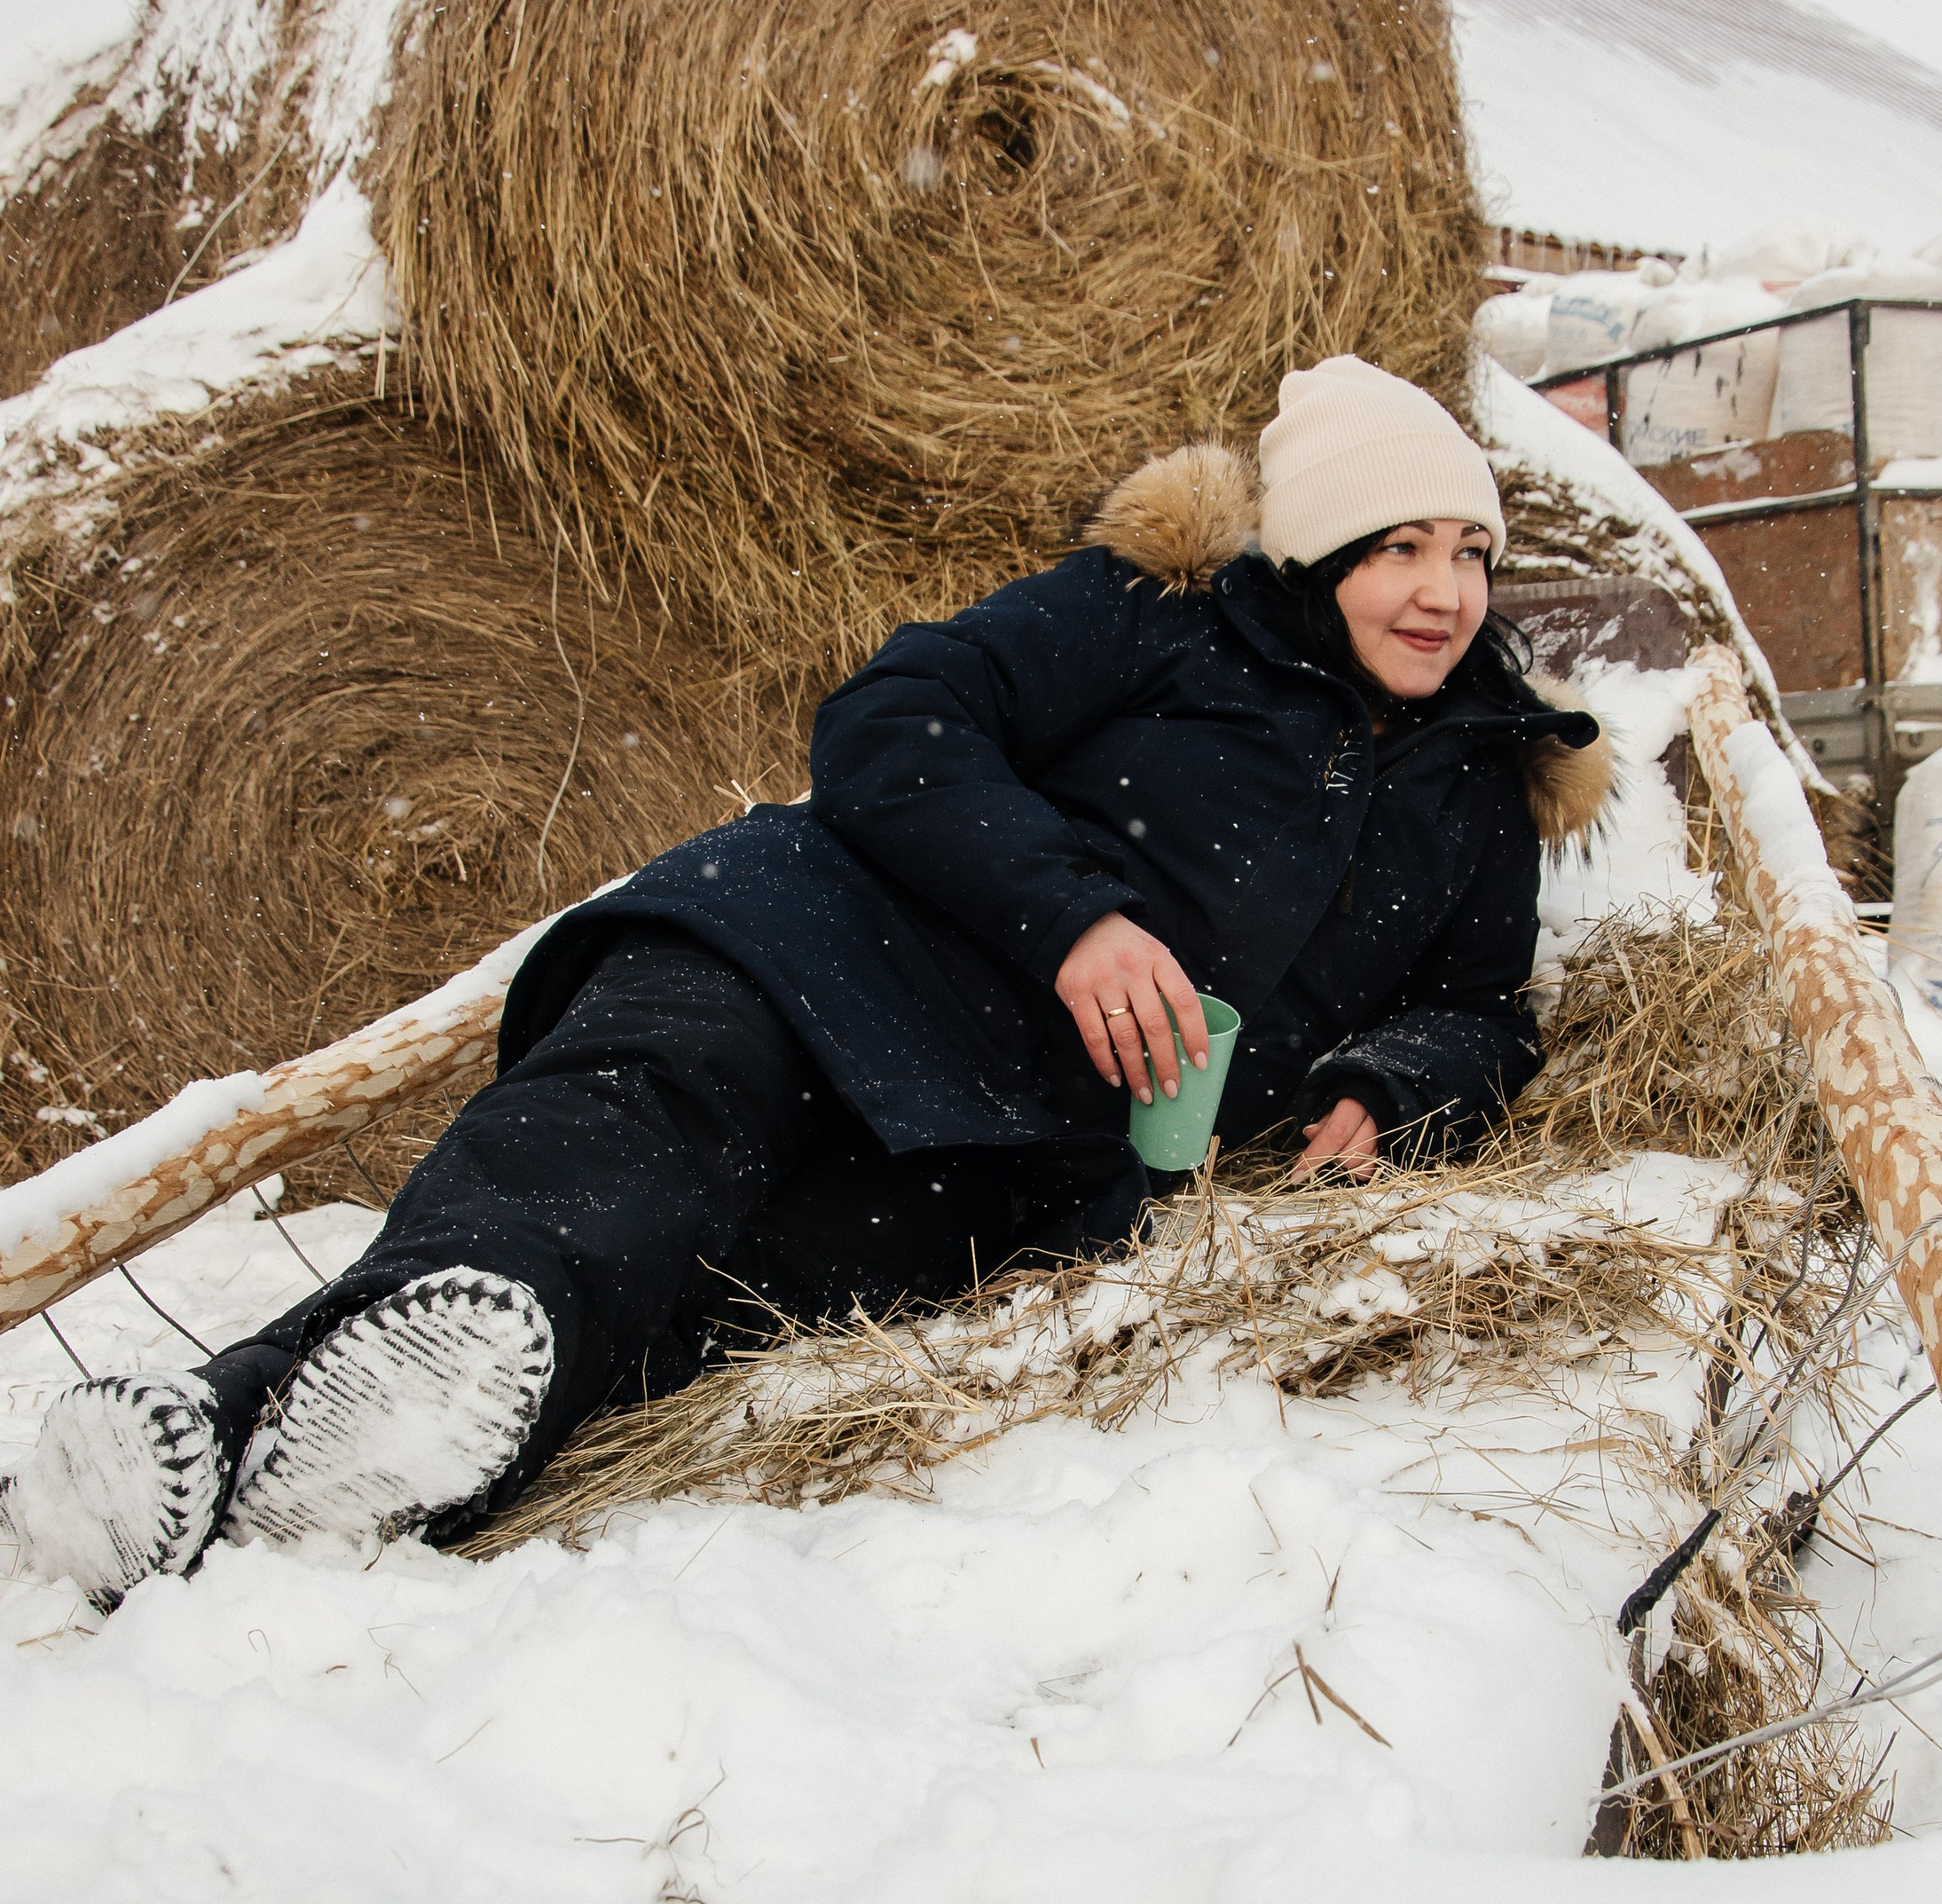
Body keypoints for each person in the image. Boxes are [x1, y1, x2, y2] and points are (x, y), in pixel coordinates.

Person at [8, 355, 1610, 1604]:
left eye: (1471, 553)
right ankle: (219, 1426)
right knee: (628, 1148)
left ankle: (260, 1452)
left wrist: (1388, 1085)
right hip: (822, 948)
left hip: (1025, 1145)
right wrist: (1074, 921)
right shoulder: (1155, 620)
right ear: (1318, 547)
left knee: (704, 1293)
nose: (1445, 592)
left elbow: (1480, 1004)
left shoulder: (1484, 781)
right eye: (1400, 546)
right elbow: (894, 722)